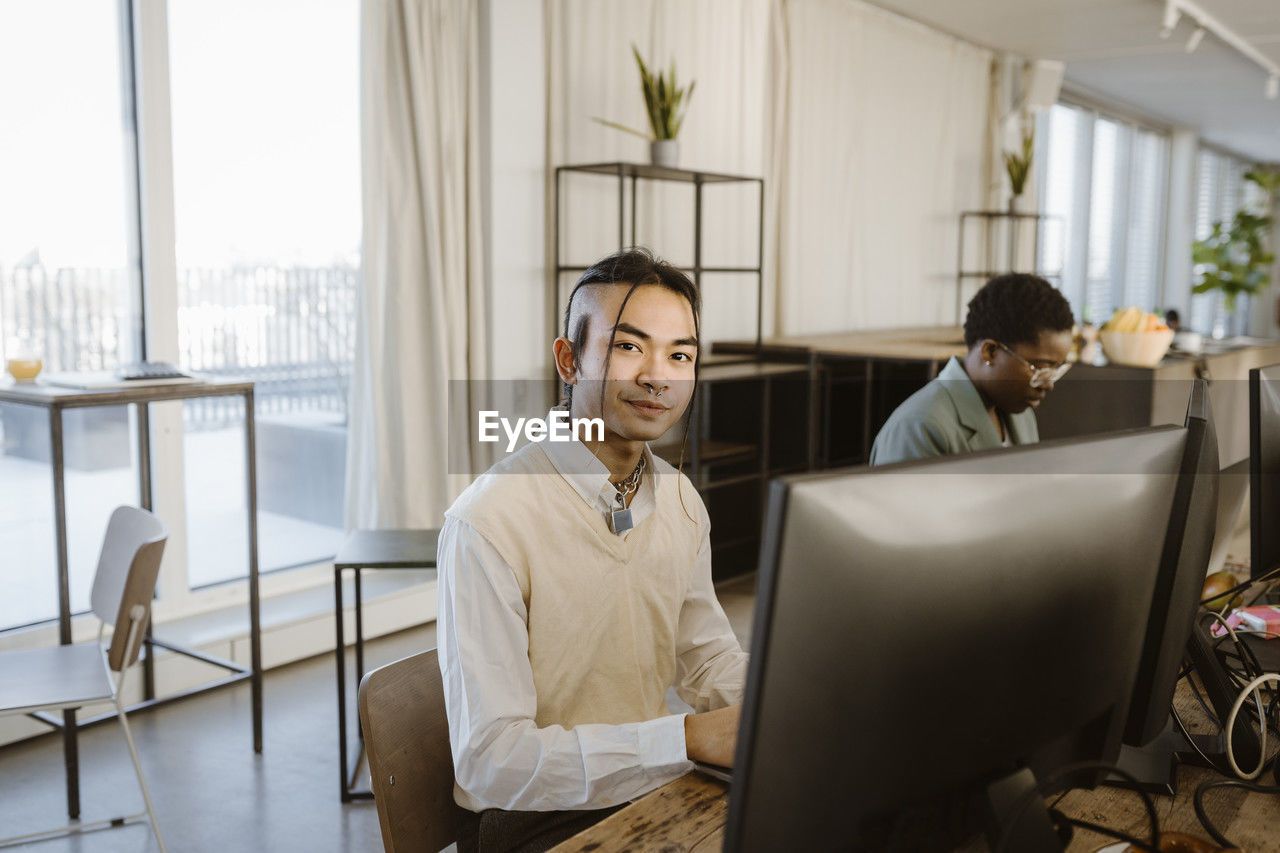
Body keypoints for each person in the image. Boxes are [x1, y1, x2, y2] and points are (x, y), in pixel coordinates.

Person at [437, 248, 747, 853]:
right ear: (568, 359)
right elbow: (492, 760)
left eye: (680, 354)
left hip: (653, 782)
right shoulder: (488, 520)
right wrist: (681, 739)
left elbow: (707, 661)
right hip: (535, 818)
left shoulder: (681, 500)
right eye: (630, 346)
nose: (659, 375)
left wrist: (796, 700)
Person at [869, 273, 1074, 465]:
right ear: (990, 352)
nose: (1048, 384)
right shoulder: (918, 428)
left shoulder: (1020, 414)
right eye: (1039, 368)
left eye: (1056, 370)